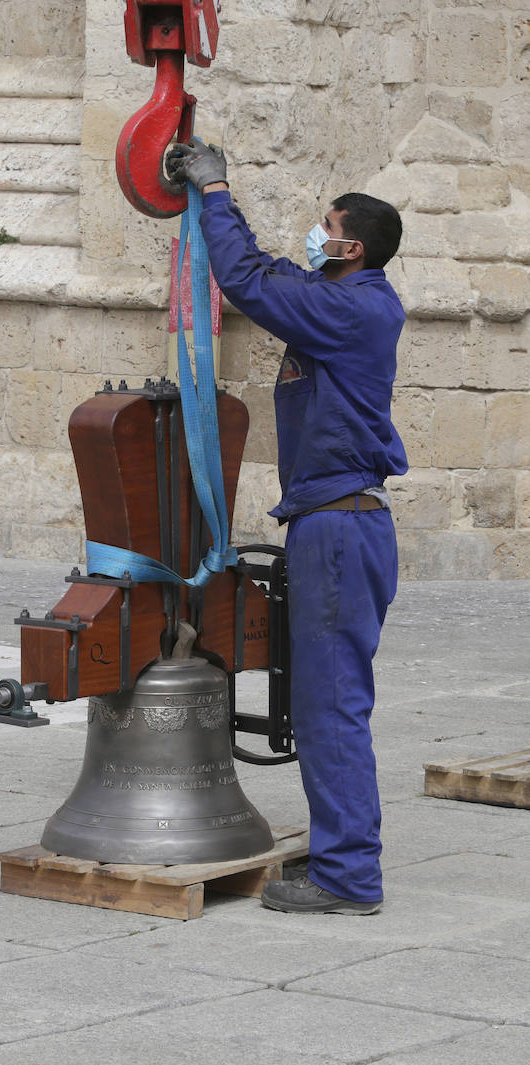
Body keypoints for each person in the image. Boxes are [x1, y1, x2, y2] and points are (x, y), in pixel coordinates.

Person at [166, 138, 406, 915]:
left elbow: (246, 279)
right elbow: (273, 277)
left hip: (339, 532)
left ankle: (349, 876)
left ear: (352, 245)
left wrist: (217, 190)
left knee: (332, 703)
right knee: (324, 702)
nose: (316, 232)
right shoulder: (341, 302)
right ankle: (343, 856)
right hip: (333, 524)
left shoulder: (353, 307)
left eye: (324, 225)